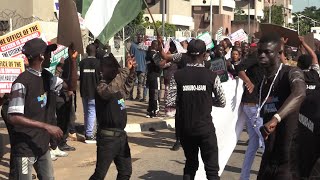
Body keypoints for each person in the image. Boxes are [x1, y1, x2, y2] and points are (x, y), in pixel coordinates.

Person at [7, 38, 64, 179]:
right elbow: (14, 117)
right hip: (25, 150)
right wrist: (46, 126)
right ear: (41, 56)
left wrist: (73, 61)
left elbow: (71, 87)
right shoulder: (21, 83)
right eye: (48, 53)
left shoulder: (47, 77)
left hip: (42, 147)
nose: (51, 56)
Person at [173, 39, 226, 180]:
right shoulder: (212, 76)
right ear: (204, 55)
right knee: (212, 170)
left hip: (185, 130)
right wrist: (207, 99)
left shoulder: (177, 76)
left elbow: (171, 102)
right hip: (205, 130)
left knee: (190, 164)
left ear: (188, 55)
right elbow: (222, 102)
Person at [257, 33, 306, 180]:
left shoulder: (291, 72)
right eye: (259, 52)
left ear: (279, 53)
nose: (262, 55)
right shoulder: (263, 82)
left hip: (288, 161)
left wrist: (275, 119)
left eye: (267, 52)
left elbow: (299, 93)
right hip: (269, 157)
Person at [89, 53, 136, 180]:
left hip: (121, 137)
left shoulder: (118, 85)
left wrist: (132, 72)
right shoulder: (102, 86)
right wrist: (126, 71)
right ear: (101, 70)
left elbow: (127, 89)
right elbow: (109, 91)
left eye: (115, 66)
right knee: (99, 174)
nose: (114, 69)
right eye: (109, 66)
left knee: (125, 172)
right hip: (107, 139)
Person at [236, 51, 265, 180]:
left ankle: (244, 177)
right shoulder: (256, 56)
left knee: (254, 144)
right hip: (252, 104)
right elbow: (239, 68)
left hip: (254, 104)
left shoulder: (268, 58)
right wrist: (248, 82)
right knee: (265, 143)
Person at [295, 36, 320, 178]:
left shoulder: (296, 76)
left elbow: (284, 63)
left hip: (300, 113)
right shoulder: (315, 74)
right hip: (313, 115)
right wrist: (304, 44)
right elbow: (314, 57)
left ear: (298, 65)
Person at [56, 46, 78, 151]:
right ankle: (58, 143)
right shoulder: (63, 62)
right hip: (60, 94)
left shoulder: (72, 61)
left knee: (68, 118)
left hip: (66, 94)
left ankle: (62, 141)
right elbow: (59, 76)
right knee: (62, 119)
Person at [79, 44, 101, 143]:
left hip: (84, 90)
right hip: (94, 91)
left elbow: (79, 76)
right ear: (95, 51)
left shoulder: (82, 62)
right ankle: (89, 134)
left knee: (86, 112)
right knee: (92, 112)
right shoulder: (98, 63)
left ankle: (87, 132)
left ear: (87, 52)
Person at [129, 34, 148, 101]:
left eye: (141, 38)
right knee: (132, 82)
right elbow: (131, 56)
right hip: (134, 67)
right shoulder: (133, 46)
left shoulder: (145, 47)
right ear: (137, 38)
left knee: (140, 83)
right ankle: (130, 96)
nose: (140, 39)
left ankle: (139, 96)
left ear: (142, 38)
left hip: (142, 67)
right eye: (138, 37)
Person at [145, 40, 162, 118]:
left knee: (151, 94)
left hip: (150, 76)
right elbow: (158, 63)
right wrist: (166, 62)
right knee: (155, 94)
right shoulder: (154, 54)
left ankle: (150, 110)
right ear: (155, 45)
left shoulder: (148, 54)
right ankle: (155, 110)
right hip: (155, 76)